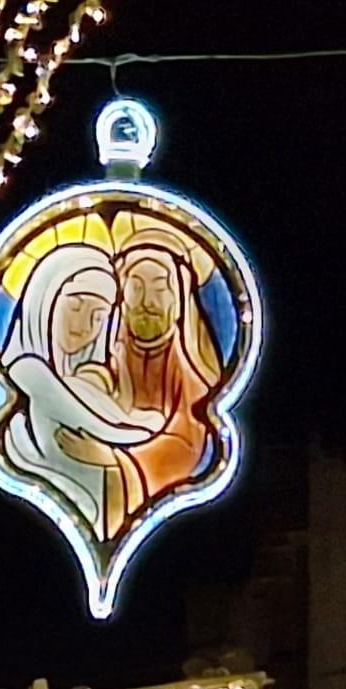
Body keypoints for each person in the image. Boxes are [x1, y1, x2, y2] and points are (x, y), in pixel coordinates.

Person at [56, 227, 225, 539]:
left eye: (160, 288)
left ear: (178, 297)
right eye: (136, 286)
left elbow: (185, 446)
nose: (147, 301)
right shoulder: (111, 352)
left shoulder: (188, 371)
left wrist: (111, 457)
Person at [0, 241, 165, 538]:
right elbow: (120, 429)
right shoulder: (27, 372)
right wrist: (147, 427)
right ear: (45, 301)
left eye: (98, 316)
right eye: (74, 307)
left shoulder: (86, 383)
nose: (84, 325)